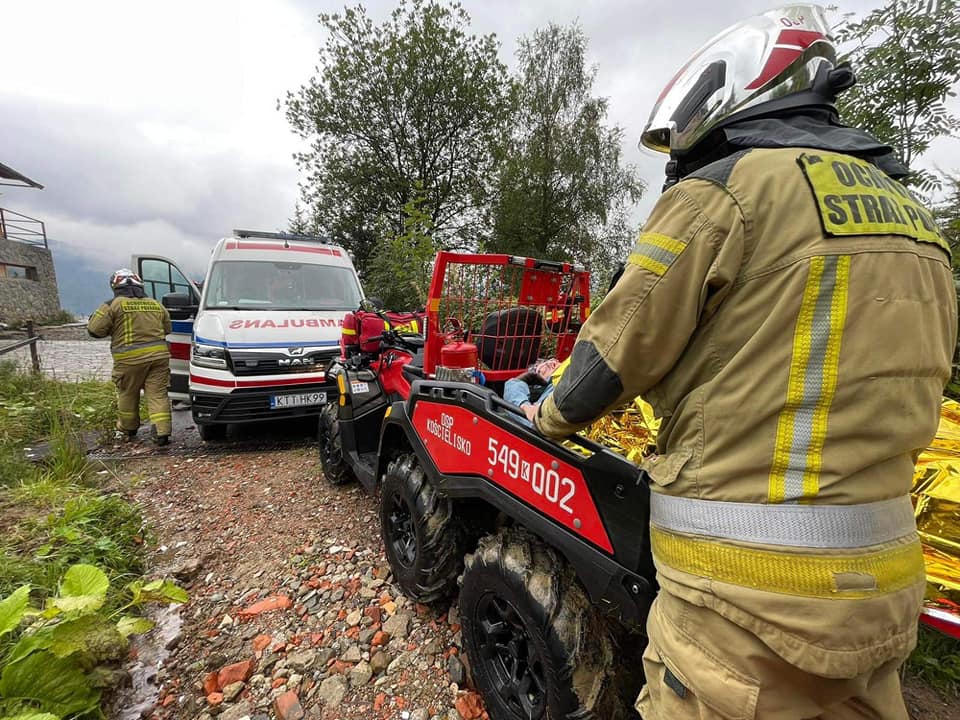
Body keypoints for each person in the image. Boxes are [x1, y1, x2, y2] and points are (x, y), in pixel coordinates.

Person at [534, 5, 957, 719]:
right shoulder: (918, 221)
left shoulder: (727, 191)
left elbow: (612, 354)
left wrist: (544, 416)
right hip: (885, 595)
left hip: (743, 600)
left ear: (727, 95)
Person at [88, 269, 173, 446]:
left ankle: (128, 428)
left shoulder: (112, 305)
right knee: (158, 394)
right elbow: (167, 329)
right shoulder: (156, 304)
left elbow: (94, 330)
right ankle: (162, 432)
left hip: (129, 360)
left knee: (128, 393)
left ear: (115, 286)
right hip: (159, 358)